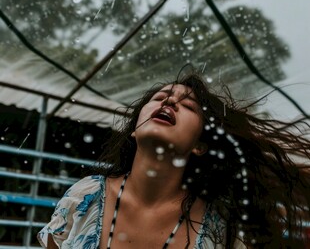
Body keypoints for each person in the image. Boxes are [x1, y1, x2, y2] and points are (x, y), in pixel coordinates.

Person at [37, 68, 310, 248]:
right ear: (134, 130)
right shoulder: (85, 197)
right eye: (160, 97)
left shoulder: (223, 229)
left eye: (189, 105)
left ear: (200, 146)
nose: (170, 102)